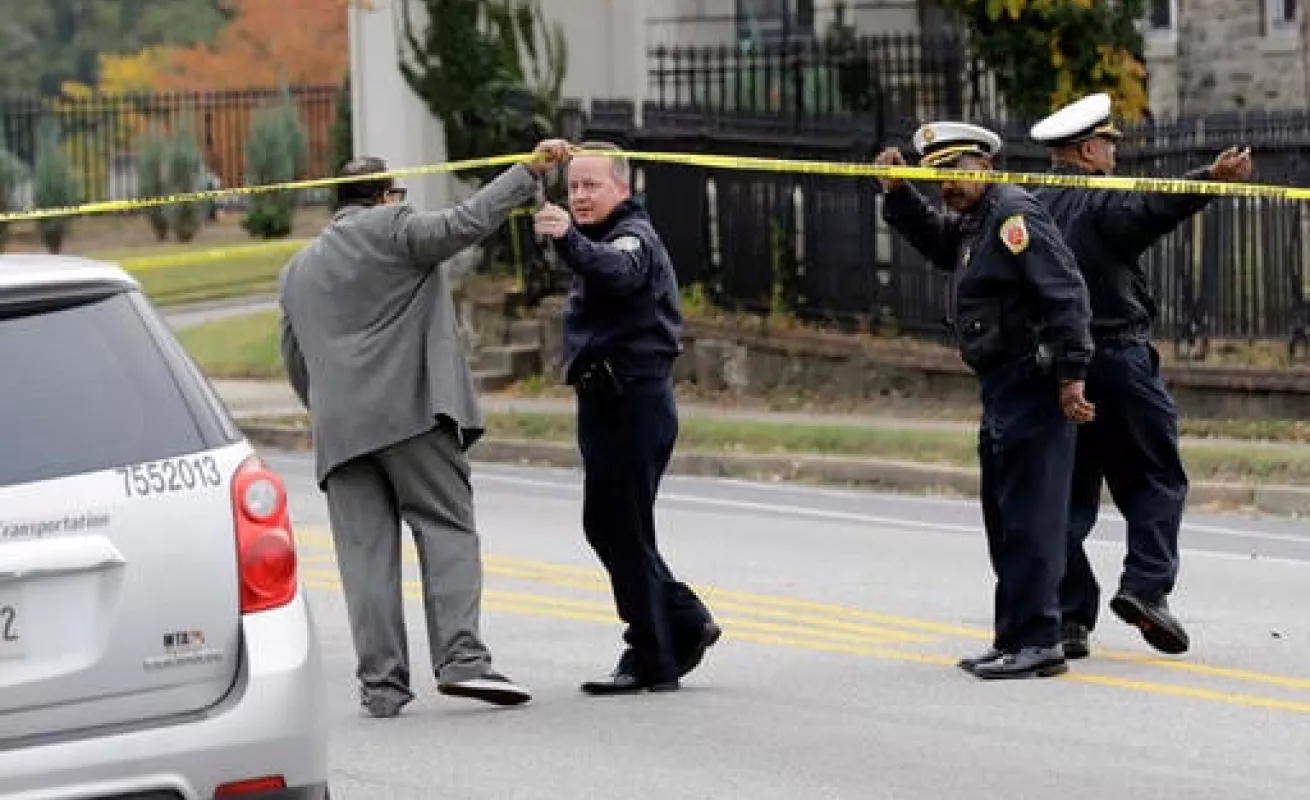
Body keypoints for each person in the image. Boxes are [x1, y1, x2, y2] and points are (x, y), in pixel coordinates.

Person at [278, 140, 572, 717]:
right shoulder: (395, 229)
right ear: (386, 196)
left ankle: (382, 686)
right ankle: (462, 659)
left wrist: (330, 409)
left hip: (340, 434)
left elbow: (294, 358)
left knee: (365, 559)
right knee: (445, 528)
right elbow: (467, 222)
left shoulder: (297, 270)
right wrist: (526, 172)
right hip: (411, 414)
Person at [1028, 93, 1253, 660]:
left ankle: (1068, 617)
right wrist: (1210, 178)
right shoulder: (1099, 200)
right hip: (1117, 362)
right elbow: (1152, 209)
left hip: (1056, 367)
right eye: (1108, 144)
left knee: (1068, 495)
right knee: (1155, 478)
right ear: (1085, 150)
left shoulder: (1027, 205)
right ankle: (1146, 589)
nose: (1114, 155)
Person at [874, 122, 1096, 680]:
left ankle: (1041, 639)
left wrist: (1072, 377)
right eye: (937, 175)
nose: (946, 183)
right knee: (1003, 518)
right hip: (1001, 387)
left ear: (985, 165)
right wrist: (899, 196)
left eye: (955, 171)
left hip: (1032, 384)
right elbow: (942, 243)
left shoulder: (1014, 215)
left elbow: (1066, 293)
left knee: (1031, 519)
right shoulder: (980, 219)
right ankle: (1013, 637)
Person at [531, 141, 721, 695]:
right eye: (574, 187)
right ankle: (681, 621)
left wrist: (567, 236)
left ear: (621, 187)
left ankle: (653, 653)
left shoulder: (633, 237)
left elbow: (618, 271)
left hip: (633, 402)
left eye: (592, 185)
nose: (581, 196)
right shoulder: (594, 239)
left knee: (623, 528)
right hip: (604, 403)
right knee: (613, 527)